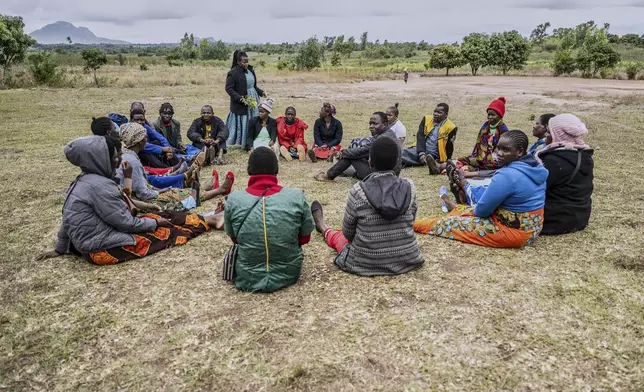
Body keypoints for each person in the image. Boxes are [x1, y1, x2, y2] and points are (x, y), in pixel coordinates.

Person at [35, 135, 225, 265]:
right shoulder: (99, 186)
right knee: (168, 231)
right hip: (101, 249)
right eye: (115, 156)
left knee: (163, 216)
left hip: (94, 241)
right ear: (100, 159)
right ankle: (210, 220)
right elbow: (126, 221)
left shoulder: (83, 181)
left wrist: (60, 248)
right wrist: (153, 221)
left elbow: (68, 219)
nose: (119, 160)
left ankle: (208, 217)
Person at [310, 136, 423, 276]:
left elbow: (348, 233)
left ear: (370, 163)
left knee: (339, 237)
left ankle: (323, 227)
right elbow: (410, 222)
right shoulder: (410, 187)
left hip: (364, 262)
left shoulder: (358, 191)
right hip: (408, 258)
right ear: (397, 164)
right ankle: (323, 226)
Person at [415, 130, 548, 248]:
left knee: (446, 224)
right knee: (468, 209)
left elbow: (482, 211)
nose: (499, 154)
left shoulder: (506, 175)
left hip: (513, 233)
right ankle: (454, 206)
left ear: (519, 151)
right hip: (533, 230)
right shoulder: (536, 168)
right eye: (498, 149)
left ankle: (412, 224)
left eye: (506, 150)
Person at [224, 147, 314, 293]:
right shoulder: (296, 196)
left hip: (247, 276)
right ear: (277, 169)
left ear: (248, 170)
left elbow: (235, 239)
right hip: (289, 272)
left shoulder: (234, 199)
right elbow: (304, 238)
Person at [117, 122, 204, 212]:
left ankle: (200, 188)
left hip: (130, 196)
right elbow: (143, 194)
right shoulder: (133, 161)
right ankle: (193, 199)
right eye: (145, 137)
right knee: (173, 196)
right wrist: (158, 192)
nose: (146, 140)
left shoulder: (126, 153)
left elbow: (142, 184)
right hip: (134, 201)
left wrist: (156, 189)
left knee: (173, 190)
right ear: (139, 141)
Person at [538, 114, 594, 235]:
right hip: (580, 217)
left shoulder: (555, 161)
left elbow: (534, 188)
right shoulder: (584, 155)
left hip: (556, 220)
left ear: (558, 135)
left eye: (549, 132)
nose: (546, 135)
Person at [314, 112, 397, 182]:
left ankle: (329, 176)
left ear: (385, 124)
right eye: (370, 123)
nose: (371, 126)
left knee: (351, 156)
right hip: (390, 175)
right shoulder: (389, 134)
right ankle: (343, 172)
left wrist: (343, 153)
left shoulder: (382, 139)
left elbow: (362, 151)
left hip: (379, 177)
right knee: (354, 154)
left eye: (375, 123)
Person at [457, 97, 509, 176]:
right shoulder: (485, 126)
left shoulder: (503, 130)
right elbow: (479, 142)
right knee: (463, 159)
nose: (490, 117)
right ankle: (441, 166)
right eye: (489, 114)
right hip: (481, 156)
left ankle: (468, 170)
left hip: (495, 159)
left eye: (493, 115)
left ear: (500, 116)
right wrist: (476, 154)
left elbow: (503, 150)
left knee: (488, 165)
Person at [401, 103, 457, 174]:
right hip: (421, 148)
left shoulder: (451, 127)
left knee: (404, 154)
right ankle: (429, 163)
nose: (435, 114)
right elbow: (420, 136)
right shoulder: (426, 119)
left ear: (446, 115)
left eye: (439, 112)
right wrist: (421, 153)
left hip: (434, 153)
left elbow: (450, 145)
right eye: (435, 111)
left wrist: (448, 160)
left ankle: (430, 161)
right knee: (407, 152)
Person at [225, 50, 265, 147]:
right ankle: (242, 141)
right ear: (238, 62)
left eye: (247, 61)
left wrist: (261, 92)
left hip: (253, 99)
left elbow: (253, 86)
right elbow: (229, 88)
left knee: (254, 118)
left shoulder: (250, 70)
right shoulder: (233, 73)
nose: (246, 63)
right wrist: (240, 99)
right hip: (241, 103)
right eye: (244, 62)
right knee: (244, 120)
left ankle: (253, 138)